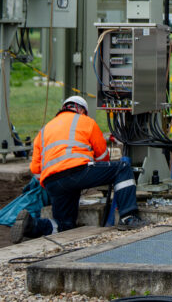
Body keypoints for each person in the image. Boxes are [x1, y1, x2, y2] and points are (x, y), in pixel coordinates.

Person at [11, 96, 145, 243]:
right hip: (77, 172)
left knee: (65, 226)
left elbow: (36, 170)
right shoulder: (85, 121)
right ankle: (128, 217)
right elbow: (102, 158)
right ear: (81, 110)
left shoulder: (44, 130)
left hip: (52, 182)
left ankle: (32, 226)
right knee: (122, 168)